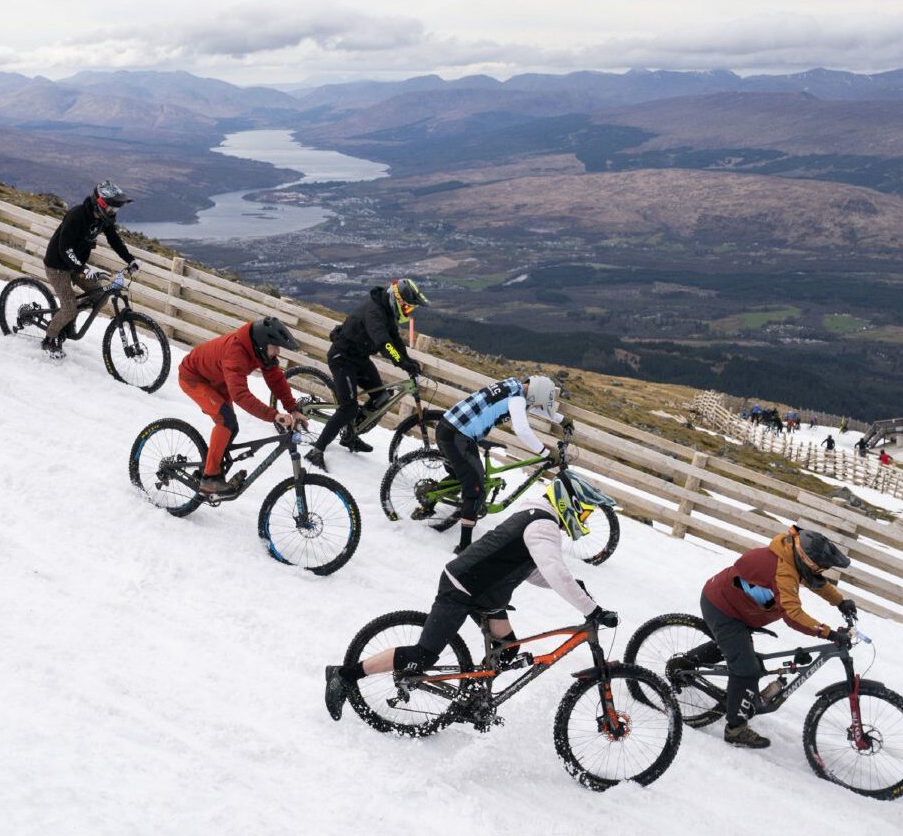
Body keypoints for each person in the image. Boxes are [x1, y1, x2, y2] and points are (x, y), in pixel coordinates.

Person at [323, 473, 621, 722]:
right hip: (461, 588)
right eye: (584, 511)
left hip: (487, 594)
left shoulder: (538, 520)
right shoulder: (543, 526)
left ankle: (476, 700)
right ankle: (345, 675)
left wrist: (576, 589)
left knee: (505, 653)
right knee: (423, 656)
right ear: (568, 503)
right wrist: (592, 610)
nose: (584, 518)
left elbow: (534, 572)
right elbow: (556, 572)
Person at [673, 526, 856, 749]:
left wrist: (840, 601)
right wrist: (827, 632)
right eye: (821, 566)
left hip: (740, 606)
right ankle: (735, 729)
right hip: (723, 608)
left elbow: (816, 582)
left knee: (740, 653)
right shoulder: (783, 571)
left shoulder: (790, 555)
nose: (822, 570)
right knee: (747, 669)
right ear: (807, 559)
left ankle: (692, 661)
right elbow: (792, 615)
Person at [304, 279, 427, 472]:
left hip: (359, 358)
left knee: (382, 396)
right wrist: (401, 363)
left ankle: (349, 435)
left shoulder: (386, 311)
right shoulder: (375, 312)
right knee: (348, 408)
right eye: (408, 308)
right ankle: (317, 451)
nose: (408, 312)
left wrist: (408, 360)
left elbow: (395, 340)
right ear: (397, 300)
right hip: (342, 358)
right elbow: (384, 344)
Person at [178, 317, 310, 497]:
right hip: (194, 378)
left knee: (232, 428)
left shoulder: (259, 351)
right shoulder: (236, 352)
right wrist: (273, 415)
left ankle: (209, 467)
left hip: (218, 380)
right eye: (275, 346)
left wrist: (292, 408)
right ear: (263, 344)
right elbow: (240, 395)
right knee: (226, 421)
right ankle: (209, 478)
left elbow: (276, 380)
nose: (278, 351)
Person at [439, 375, 566, 552]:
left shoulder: (513, 385)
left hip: (449, 426)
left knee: (462, 475)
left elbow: (528, 406)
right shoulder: (517, 399)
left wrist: (561, 419)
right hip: (458, 436)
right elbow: (522, 430)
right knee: (476, 488)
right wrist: (544, 452)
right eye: (538, 403)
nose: (536, 407)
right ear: (535, 395)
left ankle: (429, 505)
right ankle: (464, 547)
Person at [40, 180, 139, 359]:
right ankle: (50, 338)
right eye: (112, 208)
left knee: (98, 295)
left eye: (116, 210)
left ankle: (66, 320)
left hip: (76, 265)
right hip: (57, 266)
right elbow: (65, 248)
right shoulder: (77, 215)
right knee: (69, 306)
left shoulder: (102, 220)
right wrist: (82, 268)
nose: (113, 212)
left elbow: (114, 240)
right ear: (100, 203)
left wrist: (130, 260)